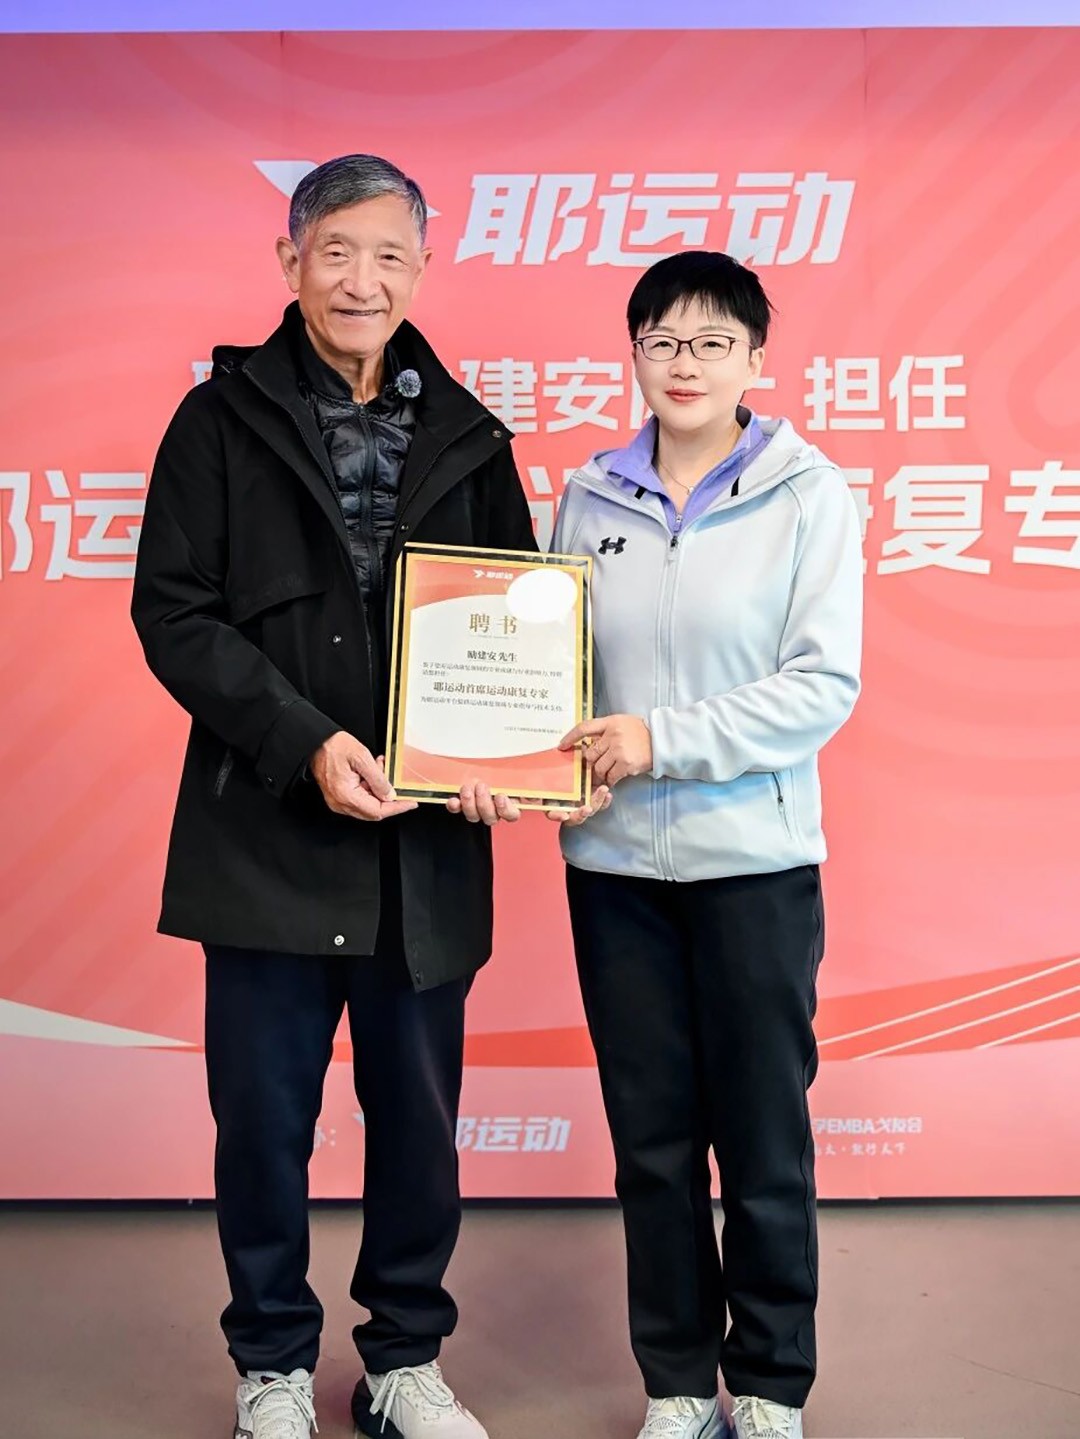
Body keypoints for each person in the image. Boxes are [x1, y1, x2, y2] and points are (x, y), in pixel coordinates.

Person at [132, 153, 539, 1439]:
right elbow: (175, 615)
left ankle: (404, 1359)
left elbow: (521, 618)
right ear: (291, 260)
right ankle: (271, 1363)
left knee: (418, 1122)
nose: (364, 280)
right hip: (264, 835)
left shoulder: (472, 434)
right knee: (263, 1121)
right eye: (338, 252)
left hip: (423, 852)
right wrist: (304, 741)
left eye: (391, 255)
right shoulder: (217, 422)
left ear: (423, 269)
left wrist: (505, 757)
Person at [551, 252, 863, 1439]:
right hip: (615, 874)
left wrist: (658, 739)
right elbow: (555, 663)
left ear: (756, 358)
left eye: (713, 341)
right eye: (663, 340)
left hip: (756, 870)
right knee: (653, 1144)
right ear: (634, 354)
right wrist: (531, 760)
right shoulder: (590, 497)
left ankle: (772, 1386)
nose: (685, 362)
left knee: (765, 1139)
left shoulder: (807, 494)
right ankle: (678, 1386)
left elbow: (820, 687)